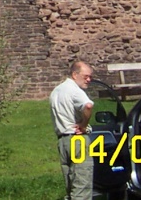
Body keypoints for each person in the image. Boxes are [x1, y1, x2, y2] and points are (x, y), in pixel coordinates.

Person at [50, 60, 95, 200]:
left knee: (70, 187)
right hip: (78, 140)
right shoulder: (74, 90)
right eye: (86, 76)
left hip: (63, 142)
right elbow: (88, 106)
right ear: (75, 75)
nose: (89, 80)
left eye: (90, 77)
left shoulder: (56, 91)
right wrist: (83, 124)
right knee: (82, 187)